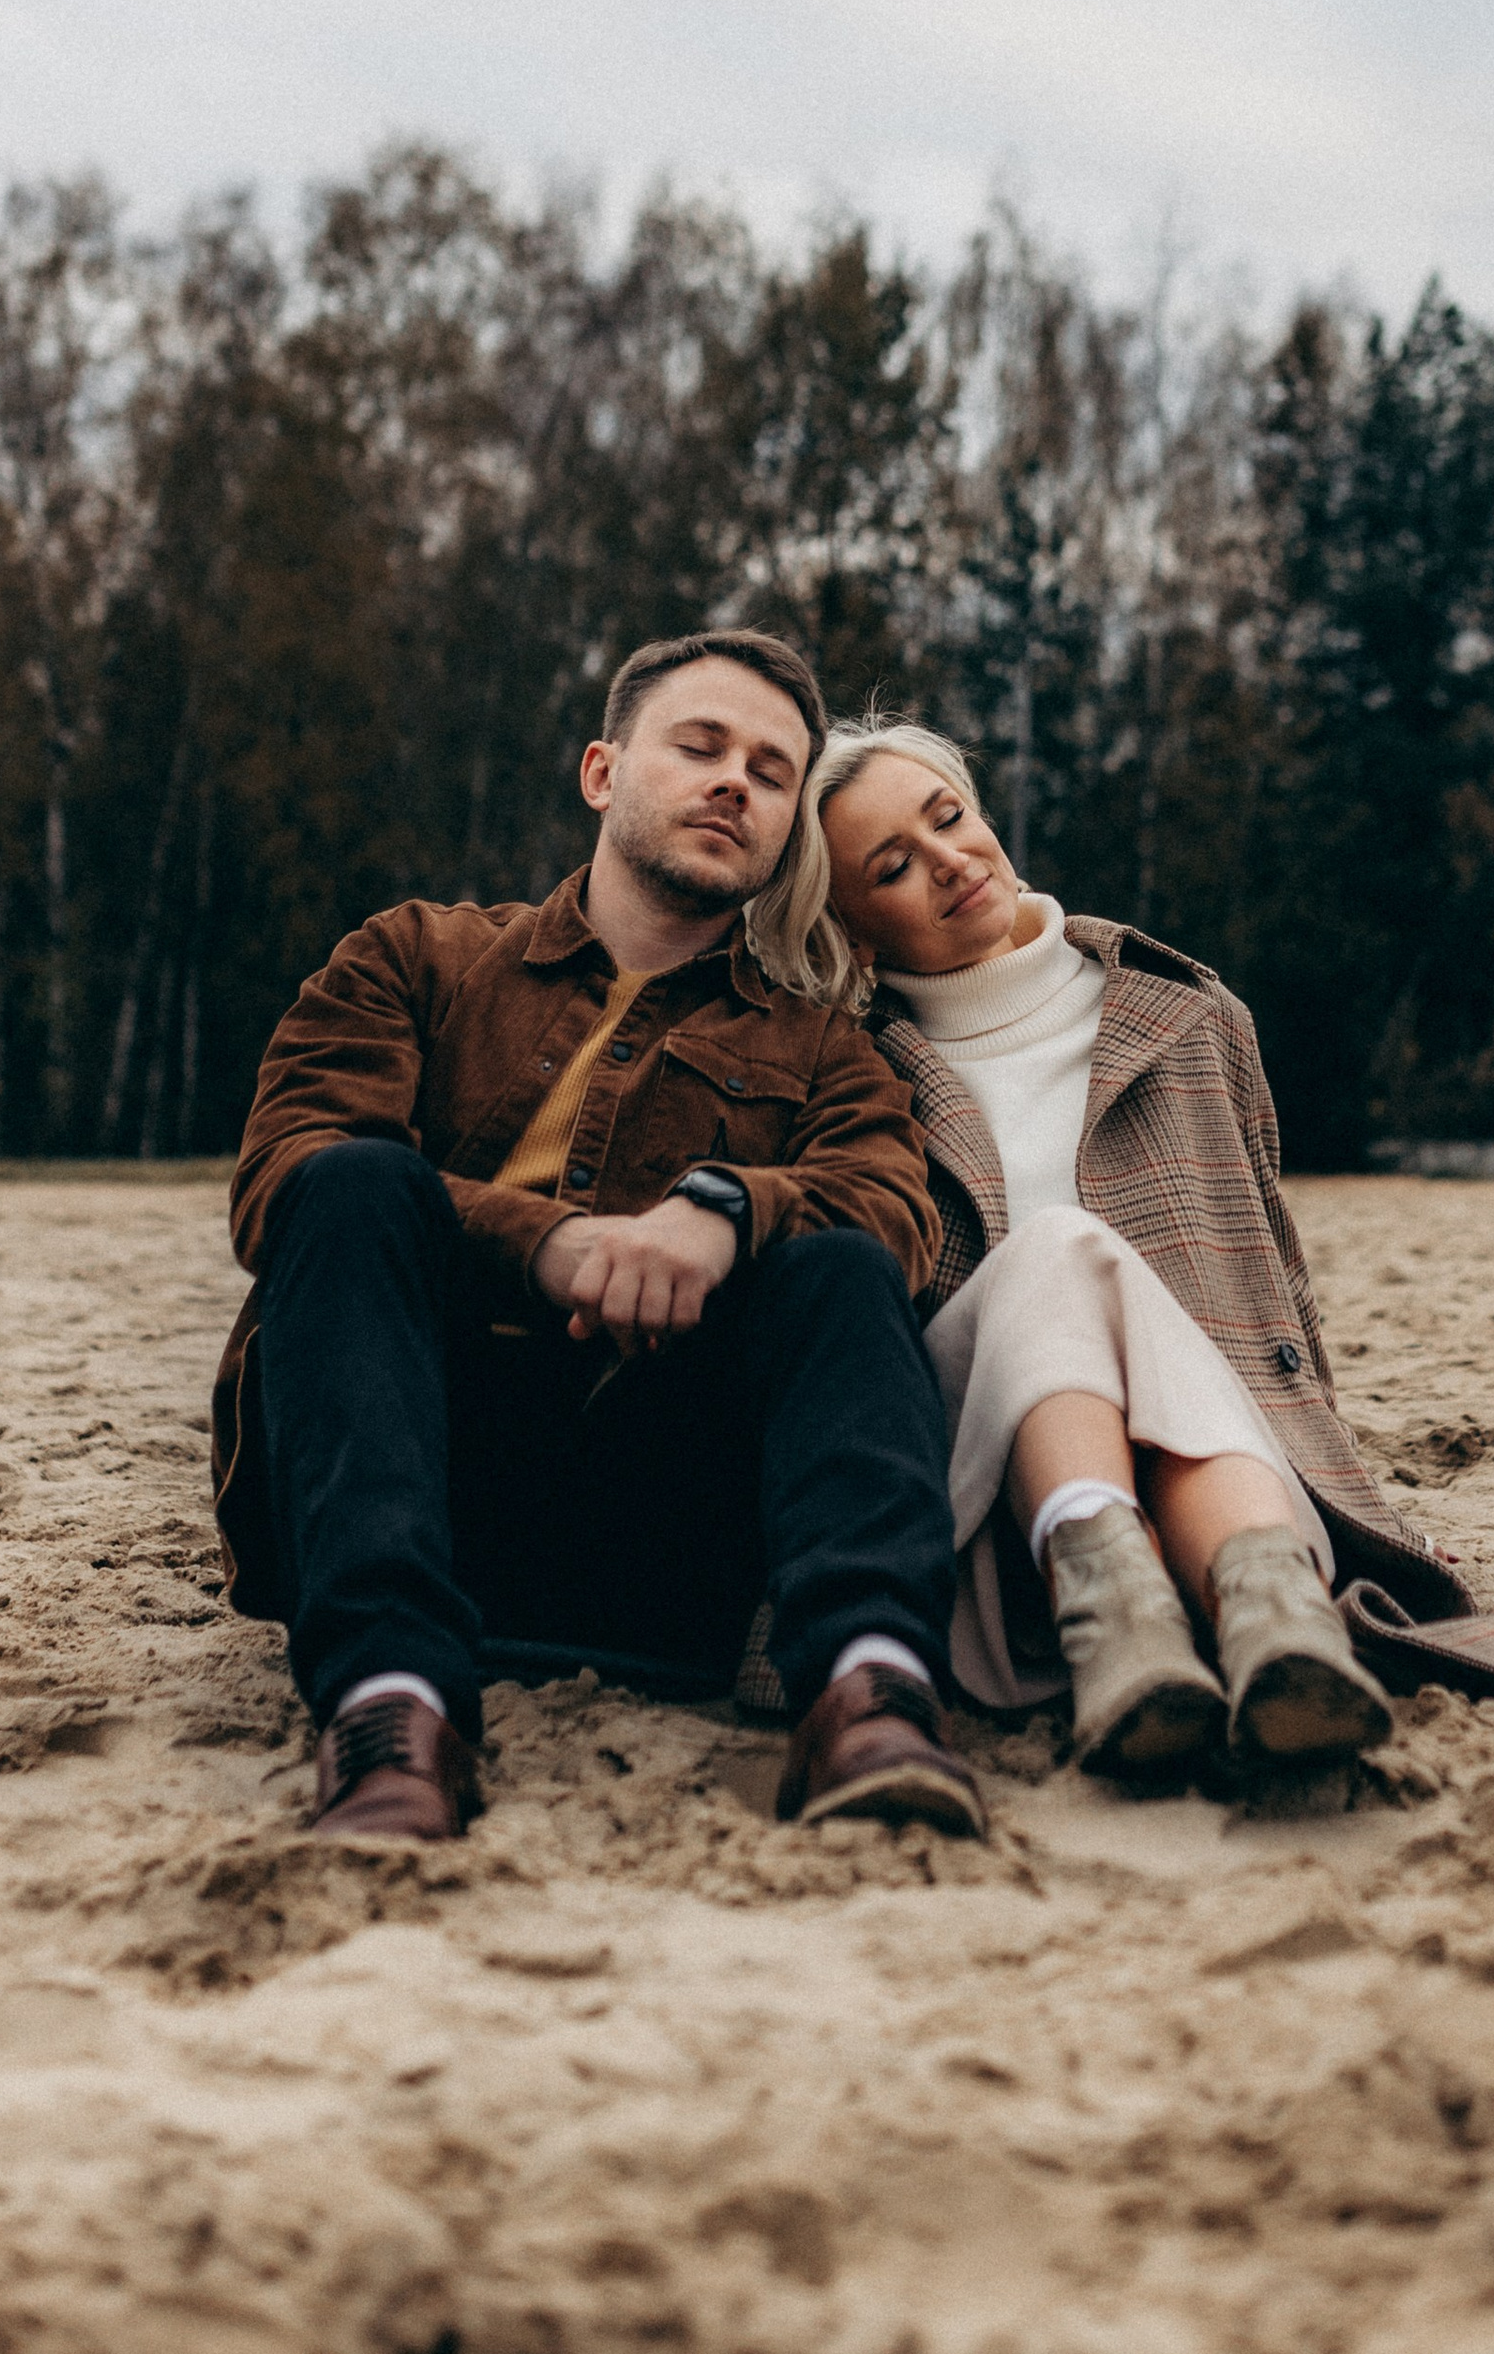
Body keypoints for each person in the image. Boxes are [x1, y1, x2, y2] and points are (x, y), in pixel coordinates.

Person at [210, 633, 984, 1847]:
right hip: (396, 1485)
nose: (737, 781)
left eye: (774, 773)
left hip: (660, 1518)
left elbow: (893, 1206)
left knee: (841, 1256)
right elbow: (285, 1169)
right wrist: (552, 1244)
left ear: (788, 833)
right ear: (601, 773)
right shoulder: (415, 957)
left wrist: (726, 1214)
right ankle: (387, 1712)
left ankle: (870, 1695)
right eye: (701, 745)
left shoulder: (825, 1046)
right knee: (353, 1184)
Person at [761, 717, 1476, 1785]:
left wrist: (1355, 1490)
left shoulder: (1189, 1014)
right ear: (854, 933)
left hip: (1218, 1461)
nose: (951, 861)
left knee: (1100, 1284)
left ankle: (1270, 1624)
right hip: (995, 1521)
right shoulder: (858, 1073)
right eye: (895, 867)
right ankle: (1129, 1612)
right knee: (1059, 1253)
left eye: (950, 818)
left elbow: (1270, 1278)